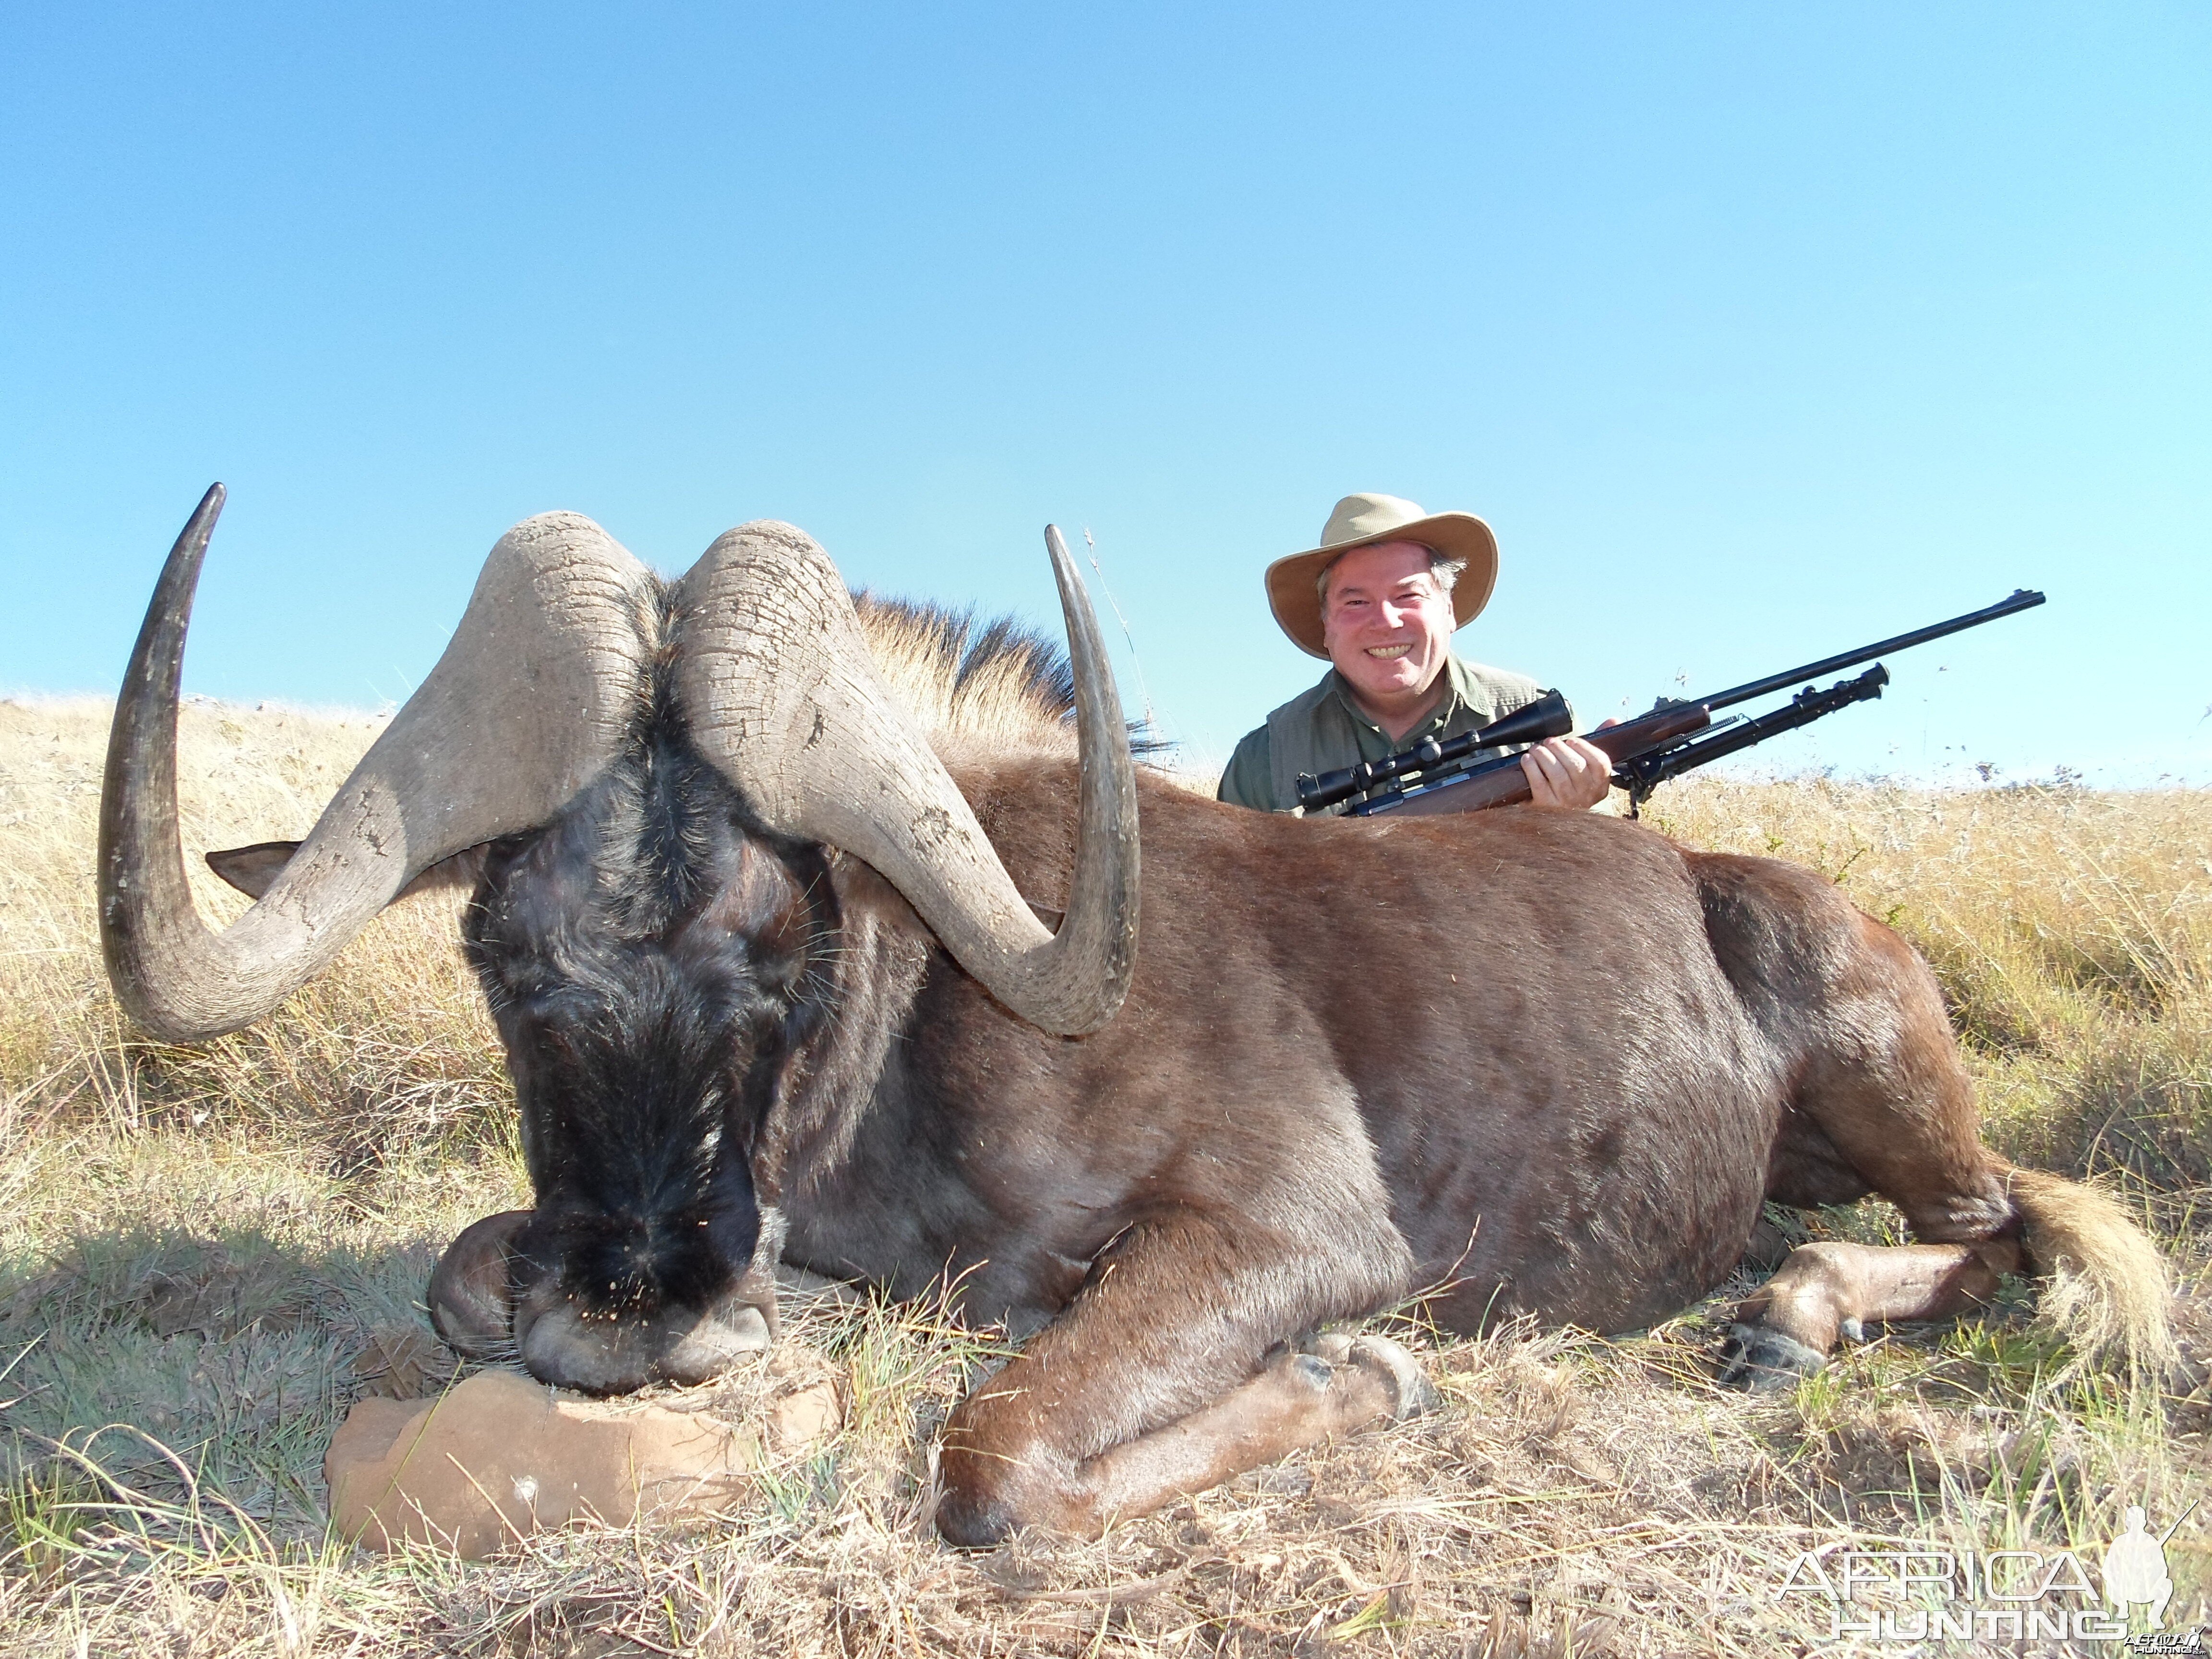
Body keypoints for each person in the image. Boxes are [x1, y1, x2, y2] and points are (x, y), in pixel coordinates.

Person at [1217, 493, 1613, 814]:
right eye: (1356, 603)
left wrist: (1569, 822)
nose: (1385, 621)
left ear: (1449, 610)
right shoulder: (1263, 761)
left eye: (1408, 595)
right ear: (1327, 627)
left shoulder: (1539, 721)